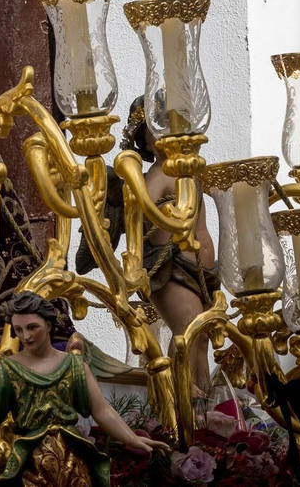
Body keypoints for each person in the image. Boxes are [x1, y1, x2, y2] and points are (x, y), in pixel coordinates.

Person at [76, 96, 219, 394]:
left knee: (201, 336)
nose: (168, 132)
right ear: (145, 137)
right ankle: (185, 400)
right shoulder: (158, 174)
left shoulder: (183, 170)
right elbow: (142, 213)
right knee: (188, 332)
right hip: (169, 268)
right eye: (158, 126)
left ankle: (205, 400)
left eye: (172, 123)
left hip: (200, 270)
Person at [0, 291, 170, 485]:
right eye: (19, 330)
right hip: (31, 459)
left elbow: (101, 410)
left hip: (72, 456)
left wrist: (132, 438)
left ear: (49, 325)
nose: (26, 336)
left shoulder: (75, 365)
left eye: (33, 327)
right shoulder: (8, 368)